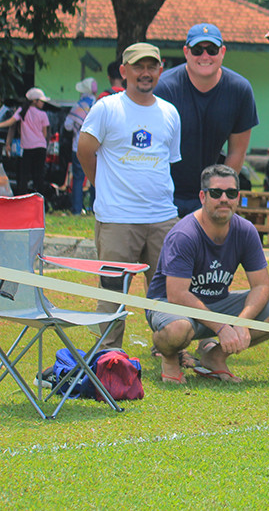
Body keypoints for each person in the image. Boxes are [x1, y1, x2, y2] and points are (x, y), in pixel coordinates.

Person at [77, 42, 181, 349]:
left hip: (163, 218)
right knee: (112, 293)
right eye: (138, 67)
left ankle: (169, 351)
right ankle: (108, 356)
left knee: (168, 293)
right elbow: (85, 151)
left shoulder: (170, 112)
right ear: (124, 71)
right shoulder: (107, 108)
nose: (145, 73)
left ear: (160, 70)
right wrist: (101, 186)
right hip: (117, 219)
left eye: (151, 67)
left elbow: (168, 161)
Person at [146, 164, 269, 384]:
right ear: (203, 197)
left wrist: (242, 323)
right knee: (178, 329)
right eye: (216, 193)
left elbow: (261, 285)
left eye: (231, 193)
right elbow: (176, 295)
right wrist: (221, 327)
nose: (224, 199)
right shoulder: (184, 235)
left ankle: (215, 357)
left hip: (216, 303)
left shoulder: (246, 231)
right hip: (172, 306)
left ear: (238, 197)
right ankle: (170, 358)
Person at [154, 22, 258, 217]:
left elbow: (237, 152)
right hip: (165, 194)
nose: (204, 56)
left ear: (222, 52)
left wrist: (218, 194)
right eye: (197, 50)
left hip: (210, 196)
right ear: (186, 52)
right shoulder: (164, 89)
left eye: (211, 50)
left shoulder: (239, 91)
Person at [0, 87, 50, 198]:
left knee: (24, 176)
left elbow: (10, 122)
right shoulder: (43, 115)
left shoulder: (22, 111)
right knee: (38, 177)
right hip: (40, 148)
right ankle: (40, 201)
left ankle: (21, 200)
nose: (43, 103)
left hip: (27, 149)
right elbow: (45, 134)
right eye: (41, 101)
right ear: (35, 101)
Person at [64, 77, 98, 214]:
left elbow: (67, 125)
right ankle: (95, 208)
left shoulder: (78, 105)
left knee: (78, 178)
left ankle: (77, 209)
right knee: (96, 177)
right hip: (95, 147)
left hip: (78, 145)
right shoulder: (99, 104)